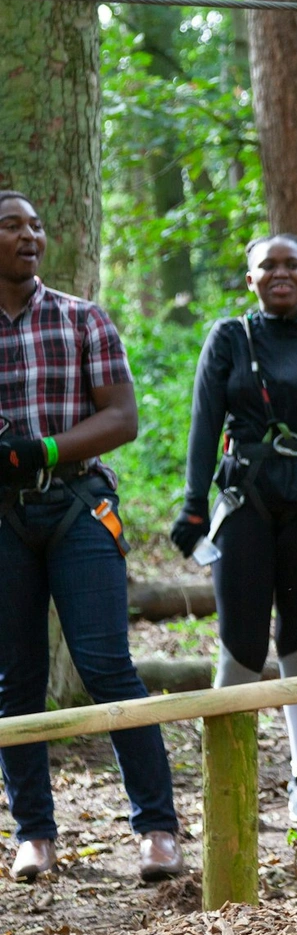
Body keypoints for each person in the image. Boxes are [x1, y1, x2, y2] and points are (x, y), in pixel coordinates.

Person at [0, 191, 183, 882]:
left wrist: (43, 450)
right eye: (12, 224)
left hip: (78, 505)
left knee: (108, 666)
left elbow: (124, 418)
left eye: (37, 224)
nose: (30, 235)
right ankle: (34, 837)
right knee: (14, 680)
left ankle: (157, 830)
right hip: (3, 522)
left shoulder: (82, 318)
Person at [170, 233, 297, 825]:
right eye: (268, 265)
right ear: (250, 278)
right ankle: (227, 786)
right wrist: (191, 507)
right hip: (245, 500)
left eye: (292, 264)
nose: (280, 273)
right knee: (240, 643)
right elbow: (204, 423)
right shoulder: (229, 338)